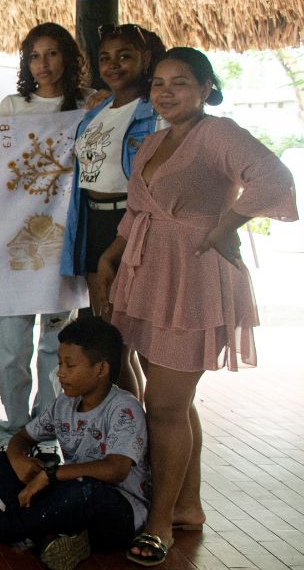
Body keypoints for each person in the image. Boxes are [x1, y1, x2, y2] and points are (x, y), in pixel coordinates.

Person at [97, 48, 297, 566]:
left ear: (207, 88)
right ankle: (187, 505)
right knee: (173, 402)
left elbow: (275, 180)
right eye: (159, 83)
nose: (166, 92)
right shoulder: (156, 139)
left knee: (163, 404)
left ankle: (160, 521)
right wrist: (111, 255)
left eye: (180, 83)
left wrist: (224, 226)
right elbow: (137, 208)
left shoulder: (219, 133)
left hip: (192, 279)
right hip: (147, 274)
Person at [0, 317, 150, 570]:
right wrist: (19, 459)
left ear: (101, 369)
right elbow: (22, 438)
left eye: (70, 365)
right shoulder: (65, 404)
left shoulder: (124, 408)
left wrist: (50, 475)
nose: (60, 372)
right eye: (59, 363)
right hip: (69, 496)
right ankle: (52, 537)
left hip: (116, 513)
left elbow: (116, 470)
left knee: (85, 490)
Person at [0, 23, 93, 449]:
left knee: (55, 346)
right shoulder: (13, 106)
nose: (43, 64)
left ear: (68, 58)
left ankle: (47, 430)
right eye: (35, 56)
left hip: (63, 244)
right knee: (11, 347)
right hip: (15, 242)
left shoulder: (88, 107)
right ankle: (14, 431)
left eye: (52, 54)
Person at [61, 24, 166, 397]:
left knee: (151, 350)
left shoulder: (155, 110)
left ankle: (162, 435)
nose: (114, 65)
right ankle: (131, 440)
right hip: (94, 223)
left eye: (125, 56)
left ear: (146, 59)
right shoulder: (100, 108)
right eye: (105, 58)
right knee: (113, 346)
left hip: (134, 224)